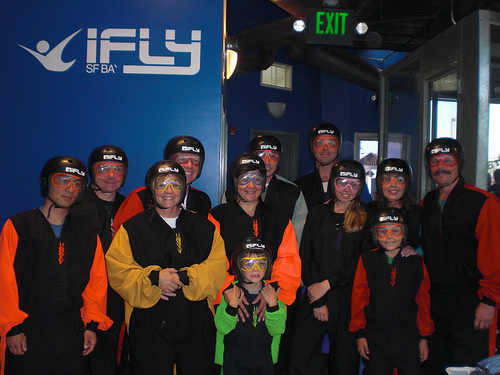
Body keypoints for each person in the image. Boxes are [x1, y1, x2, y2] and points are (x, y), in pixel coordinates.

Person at [105, 160, 226, 375]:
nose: (168, 191)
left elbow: (218, 267)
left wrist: (184, 277)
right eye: (161, 184)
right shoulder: (132, 229)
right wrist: (153, 278)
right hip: (148, 323)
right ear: (152, 188)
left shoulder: (204, 226)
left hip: (196, 322)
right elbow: (118, 271)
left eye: (175, 184)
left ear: (184, 188)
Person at [0, 156, 112, 375]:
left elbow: (96, 285)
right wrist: (12, 328)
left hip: (71, 335)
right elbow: (4, 281)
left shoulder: (87, 234)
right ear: (46, 183)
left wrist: (91, 326)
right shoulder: (19, 226)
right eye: (62, 180)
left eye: (77, 184)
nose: (70, 189)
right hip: (26, 334)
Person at [420, 138, 500, 373]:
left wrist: (489, 301)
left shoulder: (484, 203)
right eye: (434, 161)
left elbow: (495, 256)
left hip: (472, 303)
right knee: (436, 367)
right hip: (435, 304)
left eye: (448, 160)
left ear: (459, 163)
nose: (441, 166)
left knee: (470, 367)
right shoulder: (427, 204)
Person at [289, 159, 371, 375]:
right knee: (301, 357)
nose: (347, 189)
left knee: (344, 362)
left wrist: (328, 285)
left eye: (354, 184)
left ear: (361, 187)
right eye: (342, 182)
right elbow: (306, 256)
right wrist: (319, 299)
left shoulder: (366, 218)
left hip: (347, 300)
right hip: (314, 296)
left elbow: (362, 262)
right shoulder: (317, 213)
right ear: (333, 183)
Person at [209, 153, 301, 310]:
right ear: (235, 181)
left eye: (257, 179)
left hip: (272, 298)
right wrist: (229, 290)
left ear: (263, 181)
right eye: (244, 179)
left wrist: (271, 292)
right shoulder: (218, 216)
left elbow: (289, 259)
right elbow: (212, 260)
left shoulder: (278, 217)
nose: (251, 186)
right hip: (229, 298)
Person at [350, 207, 434, 375]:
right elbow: (359, 299)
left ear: (404, 233)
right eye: (383, 232)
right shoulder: (367, 260)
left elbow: (423, 301)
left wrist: (424, 337)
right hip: (376, 336)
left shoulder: (416, 262)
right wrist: (360, 335)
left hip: (408, 335)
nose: (389, 237)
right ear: (375, 234)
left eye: (396, 231)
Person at [70, 145, 128, 375]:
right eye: (104, 168)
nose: (111, 175)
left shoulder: (130, 206)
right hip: (80, 297)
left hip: (116, 298)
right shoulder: (73, 206)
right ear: (92, 171)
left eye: (118, 169)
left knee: (109, 360)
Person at [215, 237, 286, 375]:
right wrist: (232, 307)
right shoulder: (231, 294)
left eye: (261, 263)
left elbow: (278, 329)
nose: (255, 269)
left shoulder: (273, 293)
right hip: (233, 362)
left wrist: (273, 305)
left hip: (263, 362)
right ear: (237, 266)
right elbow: (222, 327)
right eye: (248, 264)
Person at [112, 135, 211, 234]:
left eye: (195, 160)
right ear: (169, 162)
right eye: (182, 159)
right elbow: (123, 237)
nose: (189, 165)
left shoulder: (202, 200)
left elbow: (208, 237)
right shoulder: (141, 196)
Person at [367, 158, 423, 250]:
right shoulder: (370, 211)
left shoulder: (418, 214)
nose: (393, 184)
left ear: (407, 184)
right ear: (379, 183)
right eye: (387, 179)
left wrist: (414, 251)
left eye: (400, 179)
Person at [295, 123, 342, 210]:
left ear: (338, 147)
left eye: (331, 143)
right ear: (312, 147)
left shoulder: (351, 184)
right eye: (319, 143)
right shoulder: (300, 185)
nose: (325, 148)